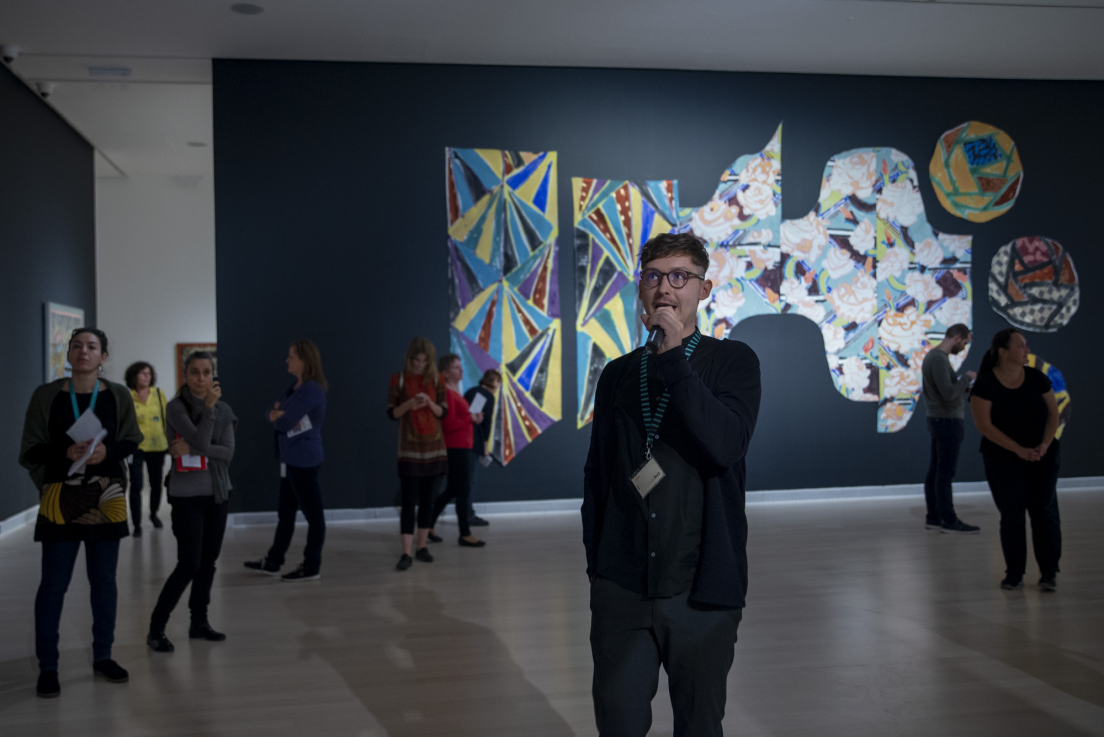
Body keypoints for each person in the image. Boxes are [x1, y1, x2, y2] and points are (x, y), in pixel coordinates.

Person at [582, 232, 761, 736]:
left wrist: (674, 356)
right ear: (641, 288)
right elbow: (597, 477)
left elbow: (726, 445)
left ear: (704, 289)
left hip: (701, 593)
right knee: (618, 724)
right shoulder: (617, 375)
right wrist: (599, 571)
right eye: (654, 276)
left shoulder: (734, 361)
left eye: (680, 276)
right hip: (623, 589)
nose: (665, 288)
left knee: (699, 726)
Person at [20, 328, 142, 697]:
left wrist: (108, 453)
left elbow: (132, 440)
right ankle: (48, 666)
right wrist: (65, 453)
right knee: (53, 584)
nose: (83, 352)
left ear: (103, 356)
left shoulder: (118, 394)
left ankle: (103, 656)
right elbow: (30, 449)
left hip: (107, 497)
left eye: (91, 347)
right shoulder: (46, 395)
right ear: (68, 354)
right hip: (60, 497)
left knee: (104, 582)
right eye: (76, 346)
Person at [147, 351, 238, 652]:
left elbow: (227, 453)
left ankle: (199, 622)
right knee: (189, 564)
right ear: (185, 376)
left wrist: (195, 447)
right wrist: (208, 411)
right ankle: (156, 627)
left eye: (206, 372)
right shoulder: (177, 407)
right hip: (186, 496)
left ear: (213, 375)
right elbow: (203, 441)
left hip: (218, 493)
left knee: (208, 562)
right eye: (195, 372)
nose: (201, 379)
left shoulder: (224, 409)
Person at [970, 328, 1062, 592]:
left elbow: (1053, 415)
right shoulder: (985, 383)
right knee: (1012, 515)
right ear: (1003, 351)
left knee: (1044, 512)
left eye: (1026, 345)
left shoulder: (1036, 378)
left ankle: (1048, 572)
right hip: (1003, 459)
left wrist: (1044, 444)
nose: (1027, 350)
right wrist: (1019, 450)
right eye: (1020, 346)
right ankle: (1014, 573)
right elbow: (984, 425)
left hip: (1043, 456)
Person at [244, 341, 328, 581]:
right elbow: (272, 411)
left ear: (304, 360)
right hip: (289, 459)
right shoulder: (295, 386)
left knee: (314, 516)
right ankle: (273, 561)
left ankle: (311, 565)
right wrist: (276, 413)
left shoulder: (311, 390)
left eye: (291, 357)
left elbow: (283, 421)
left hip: (304, 460)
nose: (286, 360)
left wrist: (278, 414)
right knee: (286, 513)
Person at [387, 338, 447, 571]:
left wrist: (429, 403)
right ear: (409, 359)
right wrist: (409, 405)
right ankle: (406, 552)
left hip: (434, 447)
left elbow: (443, 412)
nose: (420, 364)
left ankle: (421, 547)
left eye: (424, 361)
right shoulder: (398, 378)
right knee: (408, 501)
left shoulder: (437, 379)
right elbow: (391, 413)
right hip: (409, 448)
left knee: (427, 501)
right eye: (416, 360)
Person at [920, 324, 979, 534]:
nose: (963, 348)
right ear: (957, 338)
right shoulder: (938, 359)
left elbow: (947, 390)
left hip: (940, 420)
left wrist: (961, 385)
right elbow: (948, 393)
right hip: (947, 421)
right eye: (964, 343)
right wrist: (967, 378)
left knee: (936, 470)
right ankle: (949, 520)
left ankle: (934, 517)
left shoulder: (936, 358)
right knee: (944, 472)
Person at [427, 354, 486, 548]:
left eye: (461, 367)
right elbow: (449, 424)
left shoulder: (456, 392)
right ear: (445, 372)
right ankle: (465, 534)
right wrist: (470, 418)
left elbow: (460, 420)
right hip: (455, 447)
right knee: (463, 490)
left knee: (453, 489)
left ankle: (428, 524)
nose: (461, 370)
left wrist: (473, 418)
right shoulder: (446, 393)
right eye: (456, 367)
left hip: (462, 446)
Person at [124, 361, 169, 537]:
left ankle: (153, 514)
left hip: (157, 445)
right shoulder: (128, 396)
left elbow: (167, 418)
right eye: (142, 373)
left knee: (156, 483)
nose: (146, 376)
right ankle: (136, 524)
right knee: (136, 484)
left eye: (149, 373)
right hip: (135, 446)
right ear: (134, 376)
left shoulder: (158, 394)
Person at [463, 369, 500, 527]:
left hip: (460, 440)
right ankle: (468, 515)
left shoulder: (471, 391)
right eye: (499, 382)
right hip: (473, 442)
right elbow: (485, 423)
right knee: (469, 480)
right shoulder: (486, 396)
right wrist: (485, 446)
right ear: (494, 382)